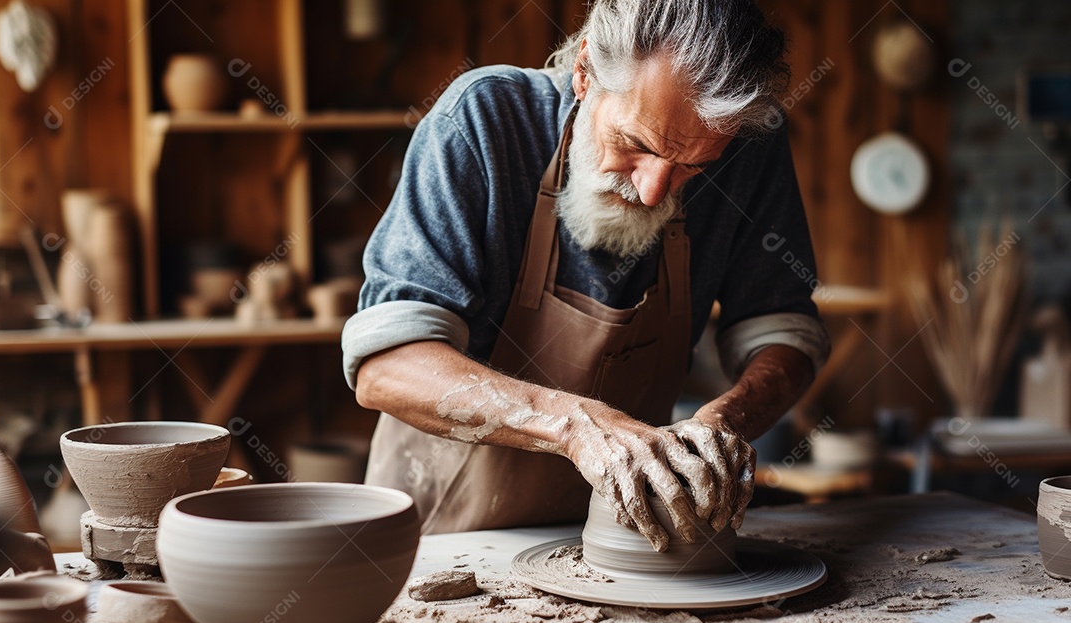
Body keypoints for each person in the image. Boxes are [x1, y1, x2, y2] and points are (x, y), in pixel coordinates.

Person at [342, 0, 829, 552]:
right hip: (442, 540)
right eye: (636, 146)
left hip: (628, 544)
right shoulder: (485, 120)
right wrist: (576, 425)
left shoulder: (743, 142)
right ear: (585, 71)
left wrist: (724, 422)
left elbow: (784, 331)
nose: (652, 191)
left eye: (693, 167)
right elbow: (386, 367)